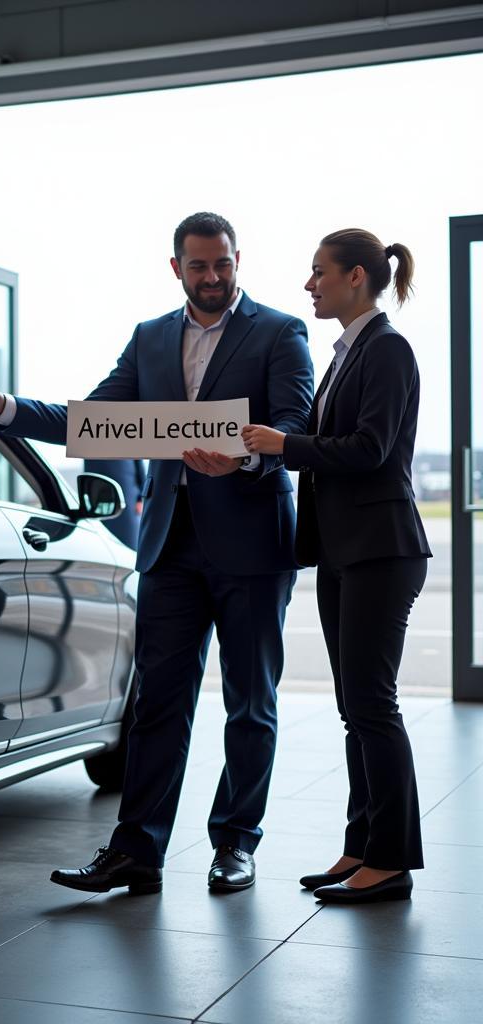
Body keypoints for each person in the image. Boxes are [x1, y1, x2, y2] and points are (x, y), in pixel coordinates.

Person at [0, 212, 314, 894]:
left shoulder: (278, 331)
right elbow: (94, 421)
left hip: (251, 544)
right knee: (155, 703)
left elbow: (296, 425)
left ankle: (236, 844)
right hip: (170, 549)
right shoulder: (151, 338)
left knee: (249, 703)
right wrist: (7, 409)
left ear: (239, 261)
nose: (212, 277)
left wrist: (242, 456)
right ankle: (137, 851)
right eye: (199, 266)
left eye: (223, 264)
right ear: (176, 267)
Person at [242, 229, 430, 904]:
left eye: (318, 272)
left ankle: (391, 859)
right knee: (357, 707)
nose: (309, 283)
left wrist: (285, 443)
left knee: (373, 705)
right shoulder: (350, 353)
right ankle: (361, 845)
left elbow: (371, 448)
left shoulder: (387, 349)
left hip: (382, 548)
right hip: (347, 551)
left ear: (356, 277)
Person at [84, 458, 146, 547]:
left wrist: (140, 497)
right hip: (99, 495)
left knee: (130, 537)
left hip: (127, 493)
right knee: (104, 539)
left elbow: (139, 462)